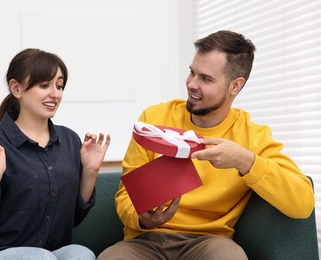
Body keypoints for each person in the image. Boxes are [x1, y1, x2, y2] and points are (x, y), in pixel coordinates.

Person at [97, 30, 315, 259]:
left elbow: (302, 203)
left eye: (205, 78)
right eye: (192, 73)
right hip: (145, 241)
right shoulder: (153, 119)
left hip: (208, 243)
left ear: (235, 86)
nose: (191, 84)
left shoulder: (253, 137)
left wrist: (245, 161)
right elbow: (126, 197)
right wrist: (142, 218)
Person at [0, 48, 111, 260]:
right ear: (16, 88)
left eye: (59, 86)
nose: (55, 93)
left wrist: (90, 171)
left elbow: (73, 219)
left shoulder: (70, 141)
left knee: (81, 254)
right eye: (44, 85)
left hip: (47, 253)